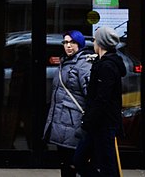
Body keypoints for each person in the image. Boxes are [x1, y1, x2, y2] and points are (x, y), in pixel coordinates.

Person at [74, 26, 125, 177]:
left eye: (95, 40)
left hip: (103, 124)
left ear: (101, 43)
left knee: (106, 166)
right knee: (82, 160)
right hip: (98, 124)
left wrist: (87, 121)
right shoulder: (102, 63)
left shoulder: (107, 66)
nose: (94, 43)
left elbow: (102, 98)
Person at [44, 30, 93, 177]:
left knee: (74, 163)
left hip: (74, 122)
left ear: (80, 44)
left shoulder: (84, 64)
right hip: (62, 121)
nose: (68, 46)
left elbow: (89, 94)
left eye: (72, 42)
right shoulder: (65, 62)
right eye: (65, 42)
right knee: (65, 162)